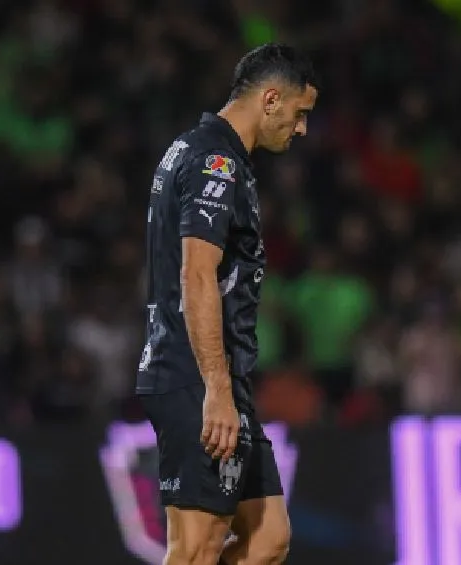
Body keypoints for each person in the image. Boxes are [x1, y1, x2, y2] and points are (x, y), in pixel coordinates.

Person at [135, 43, 318, 565]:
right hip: (195, 374)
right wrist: (216, 390)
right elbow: (196, 274)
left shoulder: (199, 151)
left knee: (268, 538)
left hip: (217, 377)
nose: (302, 128)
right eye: (299, 113)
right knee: (195, 550)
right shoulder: (215, 162)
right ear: (270, 98)